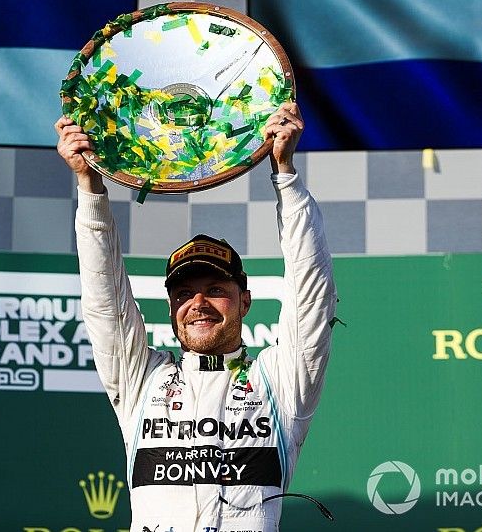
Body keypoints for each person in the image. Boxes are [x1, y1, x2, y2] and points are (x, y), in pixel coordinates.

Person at [55, 102, 337, 532]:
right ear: (171, 309)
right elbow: (104, 298)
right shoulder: (141, 379)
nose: (198, 304)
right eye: (184, 294)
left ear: (244, 302)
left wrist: (286, 175)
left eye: (216, 290)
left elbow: (311, 292)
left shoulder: (280, 380)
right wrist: (90, 185)